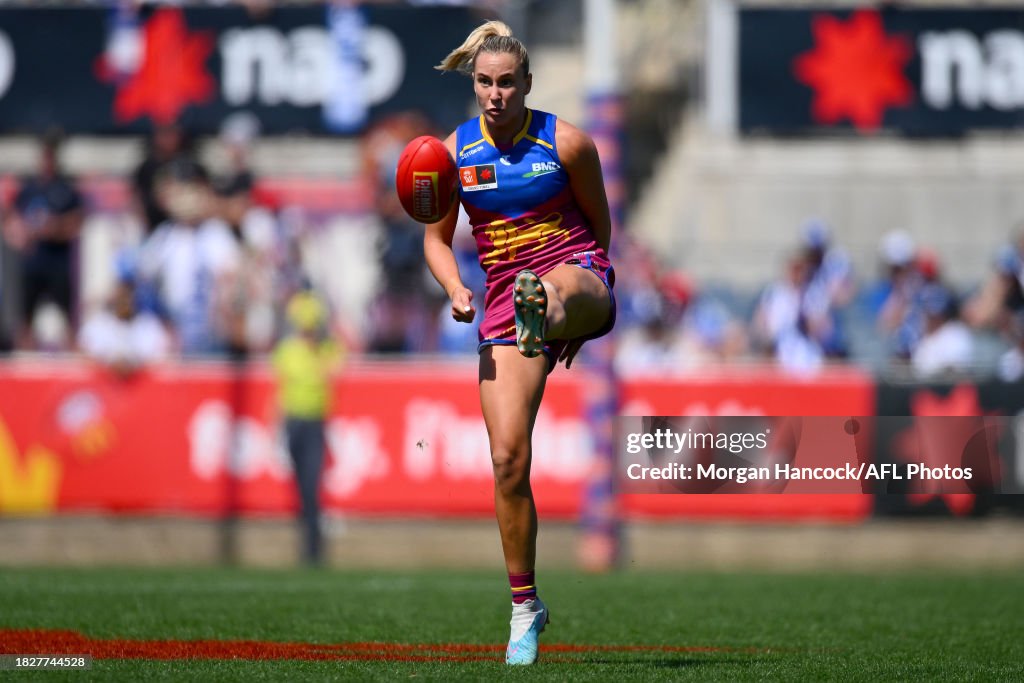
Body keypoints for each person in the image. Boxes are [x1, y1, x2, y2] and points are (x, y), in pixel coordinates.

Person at [424, 21, 616, 665]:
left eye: (508, 83)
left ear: (528, 84)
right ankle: (525, 607)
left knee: (554, 286)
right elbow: (435, 238)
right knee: (507, 460)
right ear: (473, 83)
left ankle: (555, 310)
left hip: (576, 268)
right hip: (504, 304)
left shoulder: (569, 143)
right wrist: (454, 286)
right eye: (485, 82)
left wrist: (580, 313)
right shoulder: (454, 155)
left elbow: (602, 228)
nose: (495, 94)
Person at [272, 290, 343, 566]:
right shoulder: (289, 351)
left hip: (314, 422)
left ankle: (313, 549)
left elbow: (341, 357)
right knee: (301, 488)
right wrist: (275, 427)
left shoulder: (326, 350)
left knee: (311, 485)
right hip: (293, 422)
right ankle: (307, 544)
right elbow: (278, 391)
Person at [2, 132, 85, 350]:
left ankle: (74, 363)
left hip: (57, 264)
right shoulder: (29, 189)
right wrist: (21, 233)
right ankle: (24, 368)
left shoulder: (66, 189)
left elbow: (76, 223)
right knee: (25, 320)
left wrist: (54, 227)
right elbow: (13, 220)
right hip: (32, 265)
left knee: (68, 320)